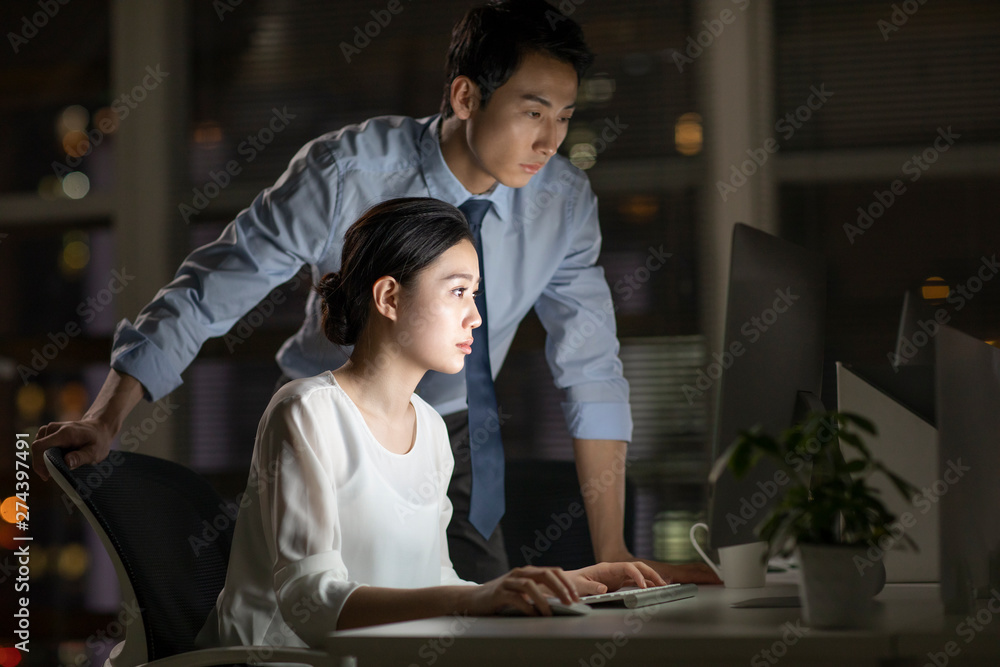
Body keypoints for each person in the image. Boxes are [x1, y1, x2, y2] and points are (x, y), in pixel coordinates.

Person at [31, 0, 718, 585]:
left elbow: (591, 369)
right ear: (465, 96)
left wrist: (614, 553)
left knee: (494, 621)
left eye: (565, 117)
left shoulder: (563, 204)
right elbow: (212, 287)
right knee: (347, 619)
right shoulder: (348, 173)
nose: (549, 141)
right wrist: (107, 414)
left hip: (454, 432)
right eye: (532, 111)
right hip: (337, 423)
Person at [195, 197, 667, 647]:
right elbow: (308, 604)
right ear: (389, 297)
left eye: (474, 295)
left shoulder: (432, 427)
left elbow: (435, 580)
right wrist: (474, 599)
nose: (476, 317)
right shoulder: (306, 411)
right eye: (458, 291)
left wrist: (558, 585)